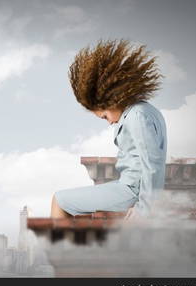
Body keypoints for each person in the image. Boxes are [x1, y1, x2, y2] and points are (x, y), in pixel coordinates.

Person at [50, 39, 167, 220]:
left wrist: (144, 210)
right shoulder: (146, 111)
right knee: (74, 207)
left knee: (60, 200)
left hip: (130, 191)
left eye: (104, 116)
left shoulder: (137, 116)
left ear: (112, 100)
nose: (109, 122)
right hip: (130, 188)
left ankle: (58, 249)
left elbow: (152, 166)